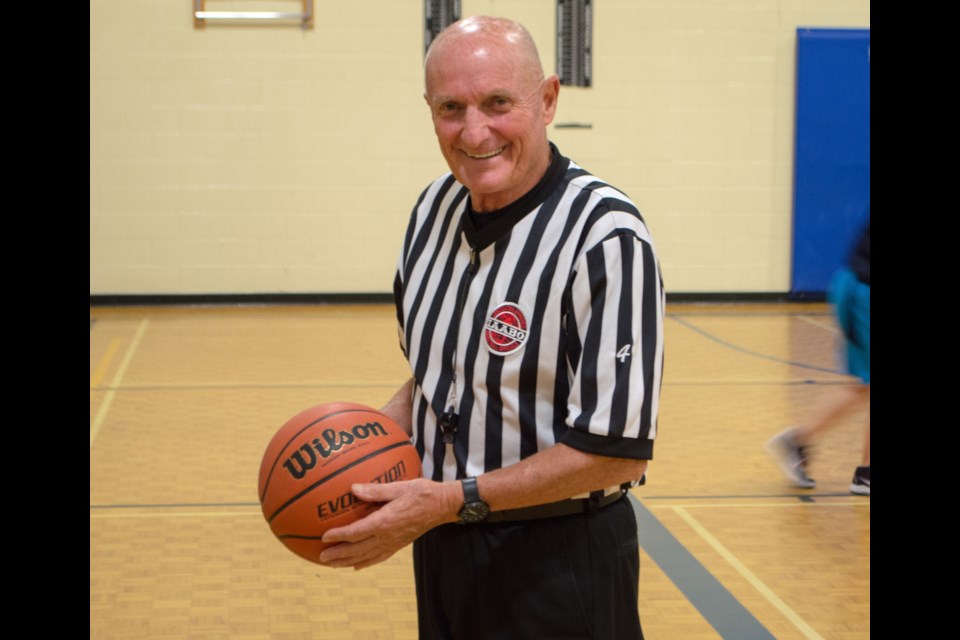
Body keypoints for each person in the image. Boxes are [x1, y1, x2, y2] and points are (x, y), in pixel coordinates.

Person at [316, 15, 665, 640]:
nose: (474, 131)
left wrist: (452, 499)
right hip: (446, 543)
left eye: (498, 103)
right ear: (429, 110)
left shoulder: (607, 237)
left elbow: (615, 451)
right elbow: (437, 378)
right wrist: (353, 457)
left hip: (561, 559)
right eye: (451, 107)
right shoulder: (431, 212)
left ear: (548, 100)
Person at [766, 214, 870, 495]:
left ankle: (864, 472)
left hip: (858, 286)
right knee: (864, 384)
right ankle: (799, 441)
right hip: (863, 291)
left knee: (864, 386)